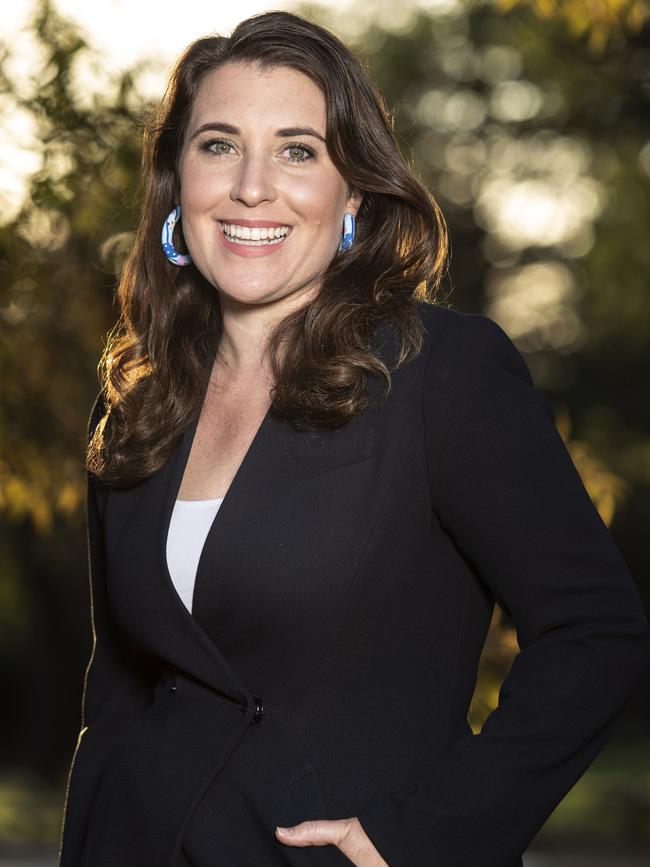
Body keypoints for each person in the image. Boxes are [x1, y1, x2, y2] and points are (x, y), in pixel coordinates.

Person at [58, 10, 650, 867]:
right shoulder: (138, 401)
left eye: (298, 150)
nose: (252, 187)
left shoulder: (440, 371)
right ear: (175, 183)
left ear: (354, 196)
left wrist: (416, 840)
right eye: (218, 145)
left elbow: (595, 633)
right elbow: (118, 688)